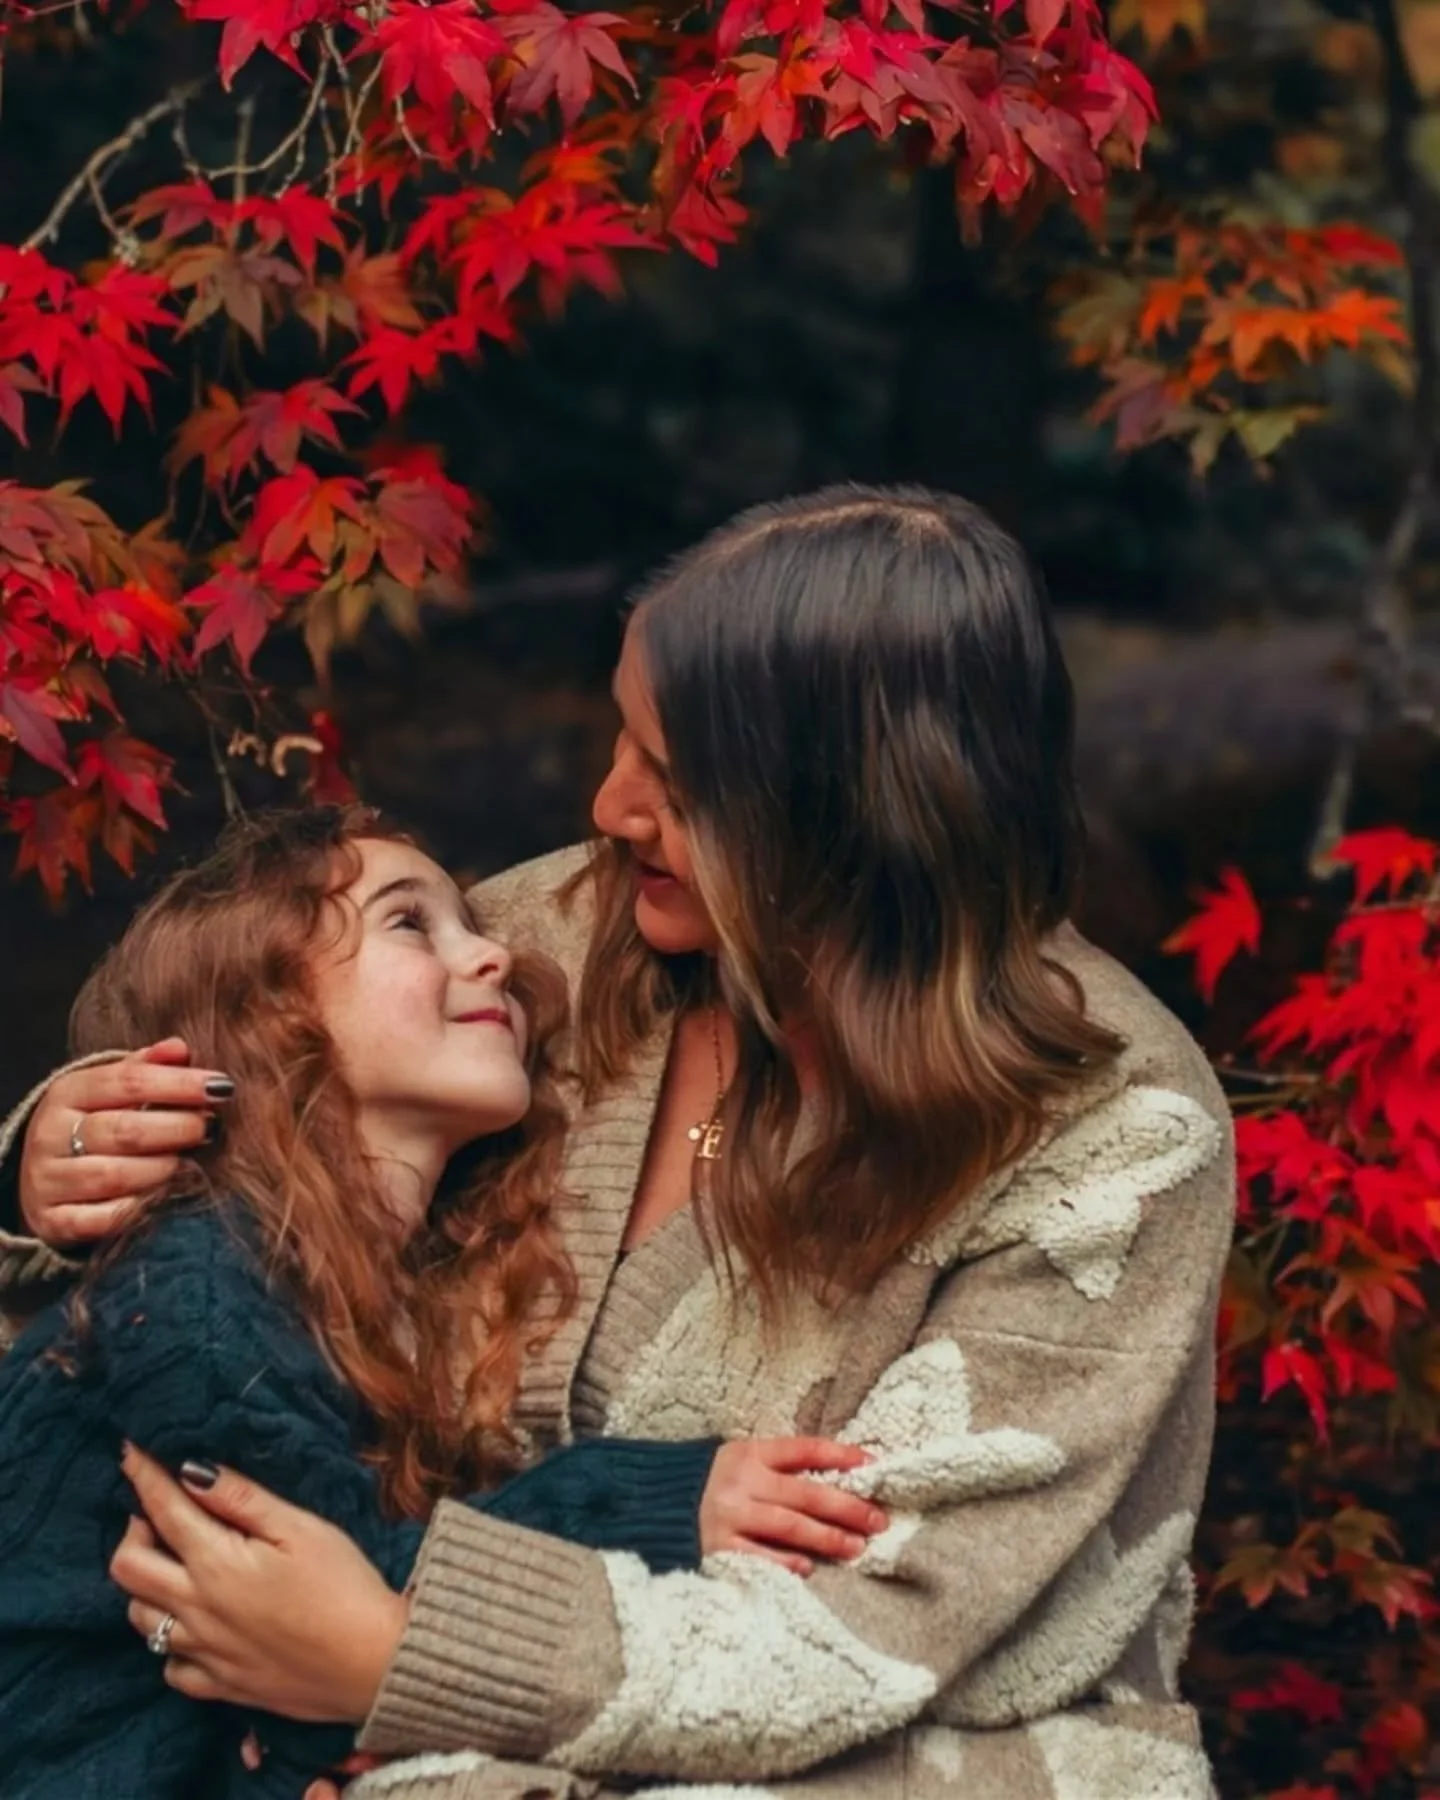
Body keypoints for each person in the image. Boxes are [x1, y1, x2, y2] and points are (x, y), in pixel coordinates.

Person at [0, 484, 1236, 1800]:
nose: (607, 803)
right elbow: (260, 1028)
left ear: (842, 814)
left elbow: (869, 1633)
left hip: (884, 1754)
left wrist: (393, 1652)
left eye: (675, 778)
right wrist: (60, 1152)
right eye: (620, 738)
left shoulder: (1113, 1131)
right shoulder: (574, 935)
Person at [0, 806, 879, 1800]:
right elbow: (331, 1590)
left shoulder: (349, 1289)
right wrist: (648, 1501)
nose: (496, 955)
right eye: (410, 924)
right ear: (267, 1018)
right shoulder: (202, 1289)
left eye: (473, 922)